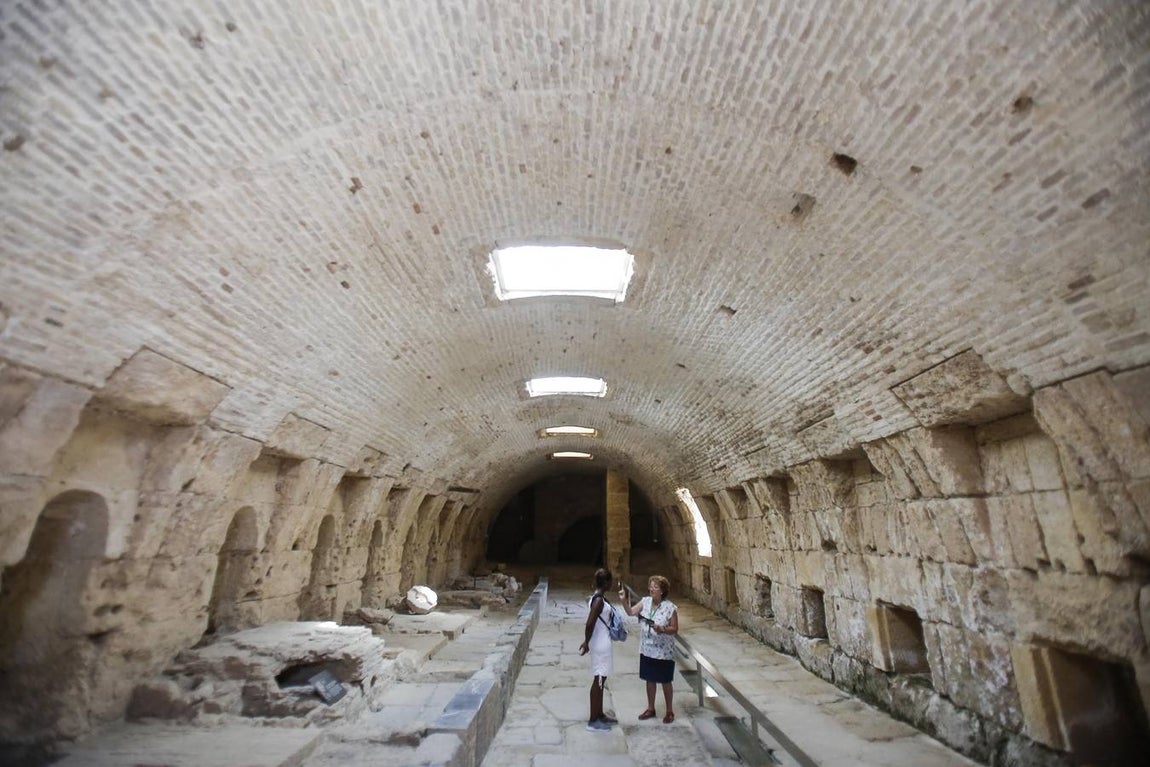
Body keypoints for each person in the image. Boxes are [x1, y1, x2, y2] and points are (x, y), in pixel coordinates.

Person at [619, 574, 679, 723]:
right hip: (647, 648)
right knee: (649, 679)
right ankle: (651, 708)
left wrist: (663, 629)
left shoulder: (670, 608)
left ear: (662, 591)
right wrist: (623, 600)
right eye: (651, 586)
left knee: (665, 680)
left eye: (655, 587)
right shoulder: (645, 602)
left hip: (663, 651)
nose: (652, 589)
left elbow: (675, 628)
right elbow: (631, 612)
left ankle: (669, 711)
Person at [579, 567, 618, 732]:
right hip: (600, 645)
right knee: (598, 681)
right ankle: (593, 720)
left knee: (602, 680)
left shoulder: (599, 597)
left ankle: (599, 713)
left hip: (601, 642)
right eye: (611, 581)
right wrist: (586, 642)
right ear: (607, 583)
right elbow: (590, 623)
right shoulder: (598, 601)